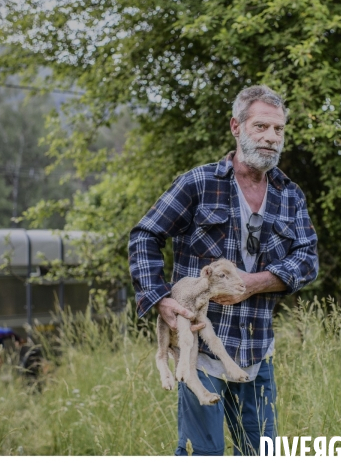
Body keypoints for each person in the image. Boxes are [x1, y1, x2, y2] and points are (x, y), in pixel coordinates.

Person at [128, 85, 319, 456]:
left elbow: (307, 259)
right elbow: (145, 235)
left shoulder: (290, 195)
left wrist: (255, 283)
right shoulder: (199, 183)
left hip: (257, 352)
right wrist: (160, 300)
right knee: (205, 455)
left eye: (279, 130)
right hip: (200, 353)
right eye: (261, 126)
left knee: (261, 455)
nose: (271, 138)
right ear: (236, 126)